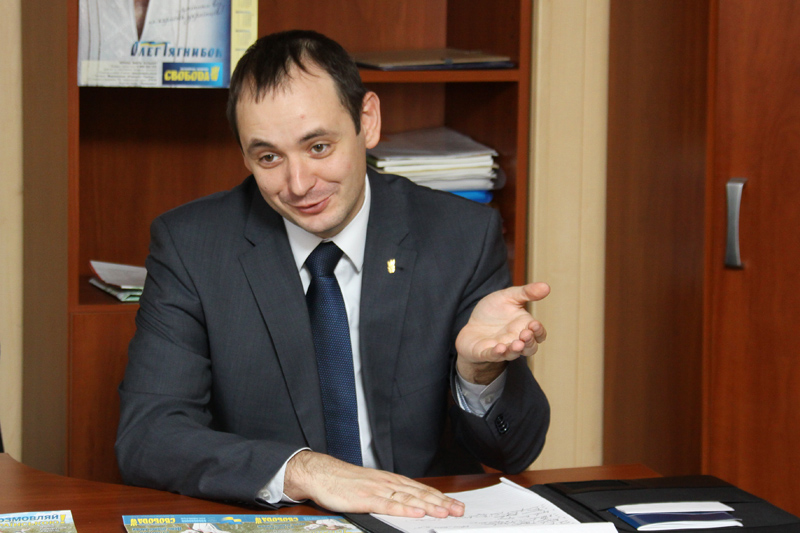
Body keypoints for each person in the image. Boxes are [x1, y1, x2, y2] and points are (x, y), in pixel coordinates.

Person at [116, 29, 551, 518]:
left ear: (367, 121)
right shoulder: (192, 246)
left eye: (319, 147)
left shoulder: (459, 237)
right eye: (268, 157)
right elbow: (148, 437)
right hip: (281, 520)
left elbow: (514, 452)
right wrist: (304, 471)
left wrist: (481, 374)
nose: (299, 184)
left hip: (421, 519)